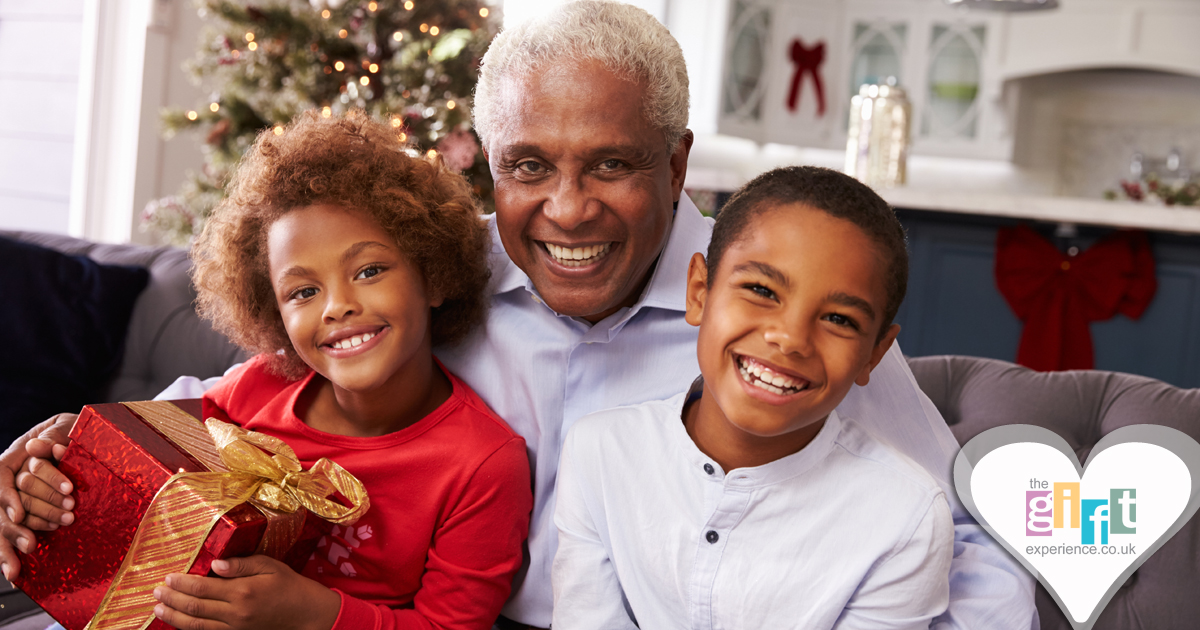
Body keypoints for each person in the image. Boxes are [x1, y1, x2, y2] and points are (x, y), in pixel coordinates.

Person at [1, 2, 1036, 629]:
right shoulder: (429, 287)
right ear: (485, 165)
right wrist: (61, 453)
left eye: (615, 166)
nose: (569, 209)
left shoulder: (768, 315)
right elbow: (237, 409)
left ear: (676, 164)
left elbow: (962, 539)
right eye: (528, 168)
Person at [16, 110, 533, 630]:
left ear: (435, 275)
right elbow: (138, 457)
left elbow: (450, 626)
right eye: (303, 291)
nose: (337, 307)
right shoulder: (256, 389)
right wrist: (68, 456)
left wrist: (316, 614)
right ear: (275, 314)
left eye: (369, 270)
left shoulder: (484, 464)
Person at [553, 166, 954, 628]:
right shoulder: (600, 452)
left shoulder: (905, 518)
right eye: (762, 290)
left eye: (840, 319)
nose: (789, 338)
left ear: (875, 354)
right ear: (699, 292)